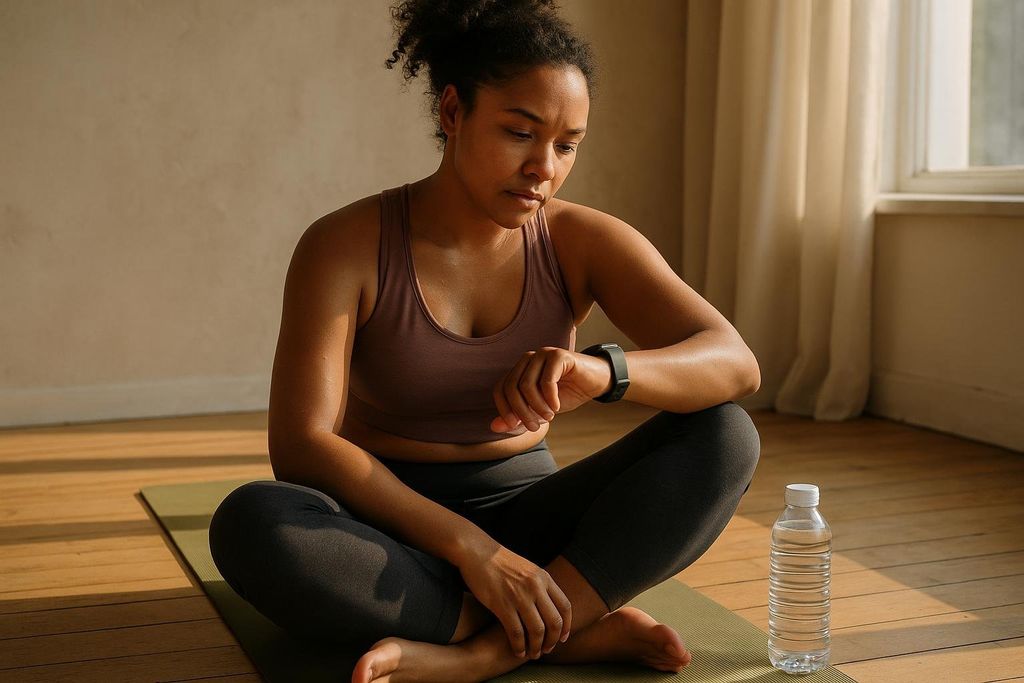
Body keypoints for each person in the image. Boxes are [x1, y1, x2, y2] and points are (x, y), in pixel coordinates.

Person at [208, 1, 761, 682]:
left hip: (530, 523)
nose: (544, 167)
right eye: (520, 133)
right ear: (451, 112)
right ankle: (564, 622)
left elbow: (734, 362)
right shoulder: (343, 245)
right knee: (251, 523)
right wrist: (471, 550)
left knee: (724, 435)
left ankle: (486, 647)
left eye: (567, 144)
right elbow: (301, 445)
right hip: (386, 531)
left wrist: (602, 372)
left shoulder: (581, 240)